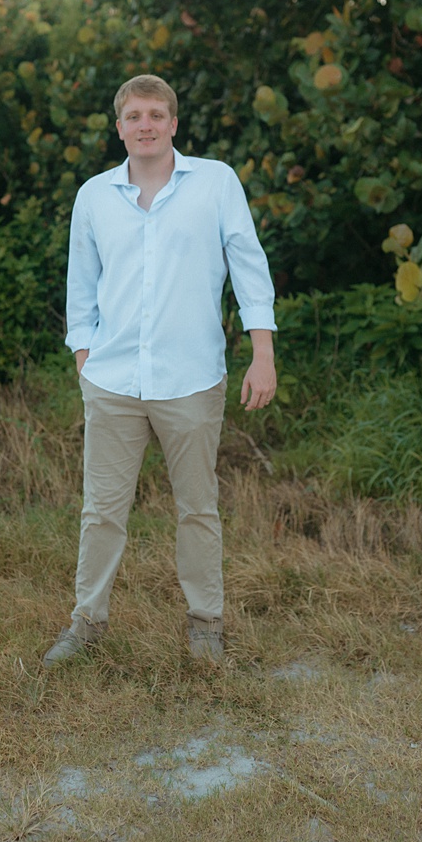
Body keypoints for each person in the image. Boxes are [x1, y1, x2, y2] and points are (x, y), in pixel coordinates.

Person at [43, 74, 277, 668]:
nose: (144, 124)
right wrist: (83, 355)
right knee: (101, 511)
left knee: (197, 508)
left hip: (192, 379)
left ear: (174, 123)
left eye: (155, 114)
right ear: (119, 126)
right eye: (133, 116)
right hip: (113, 381)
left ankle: (206, 623)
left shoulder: (216, 183)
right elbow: (81, 285)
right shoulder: (94, 196)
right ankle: (86, 624)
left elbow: (249, 267)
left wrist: (263, 352)